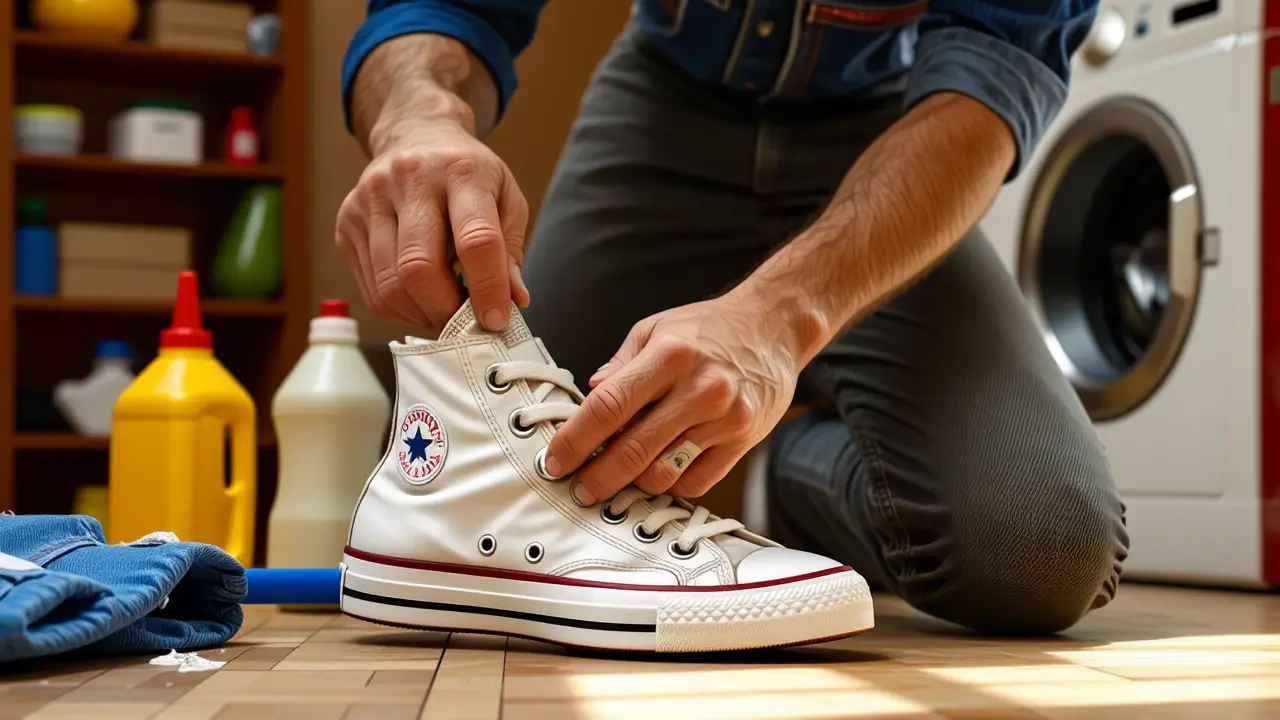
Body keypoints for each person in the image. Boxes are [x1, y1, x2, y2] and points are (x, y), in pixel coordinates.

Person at [336, 0, 1129, 636]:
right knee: (468, 494)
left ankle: (793, 475)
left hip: (897, 141)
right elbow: (442, 8)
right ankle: (785, 466)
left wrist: (779, 320)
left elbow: (999, 62)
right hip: (662, 106)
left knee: (1041, 550)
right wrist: (416, 117)